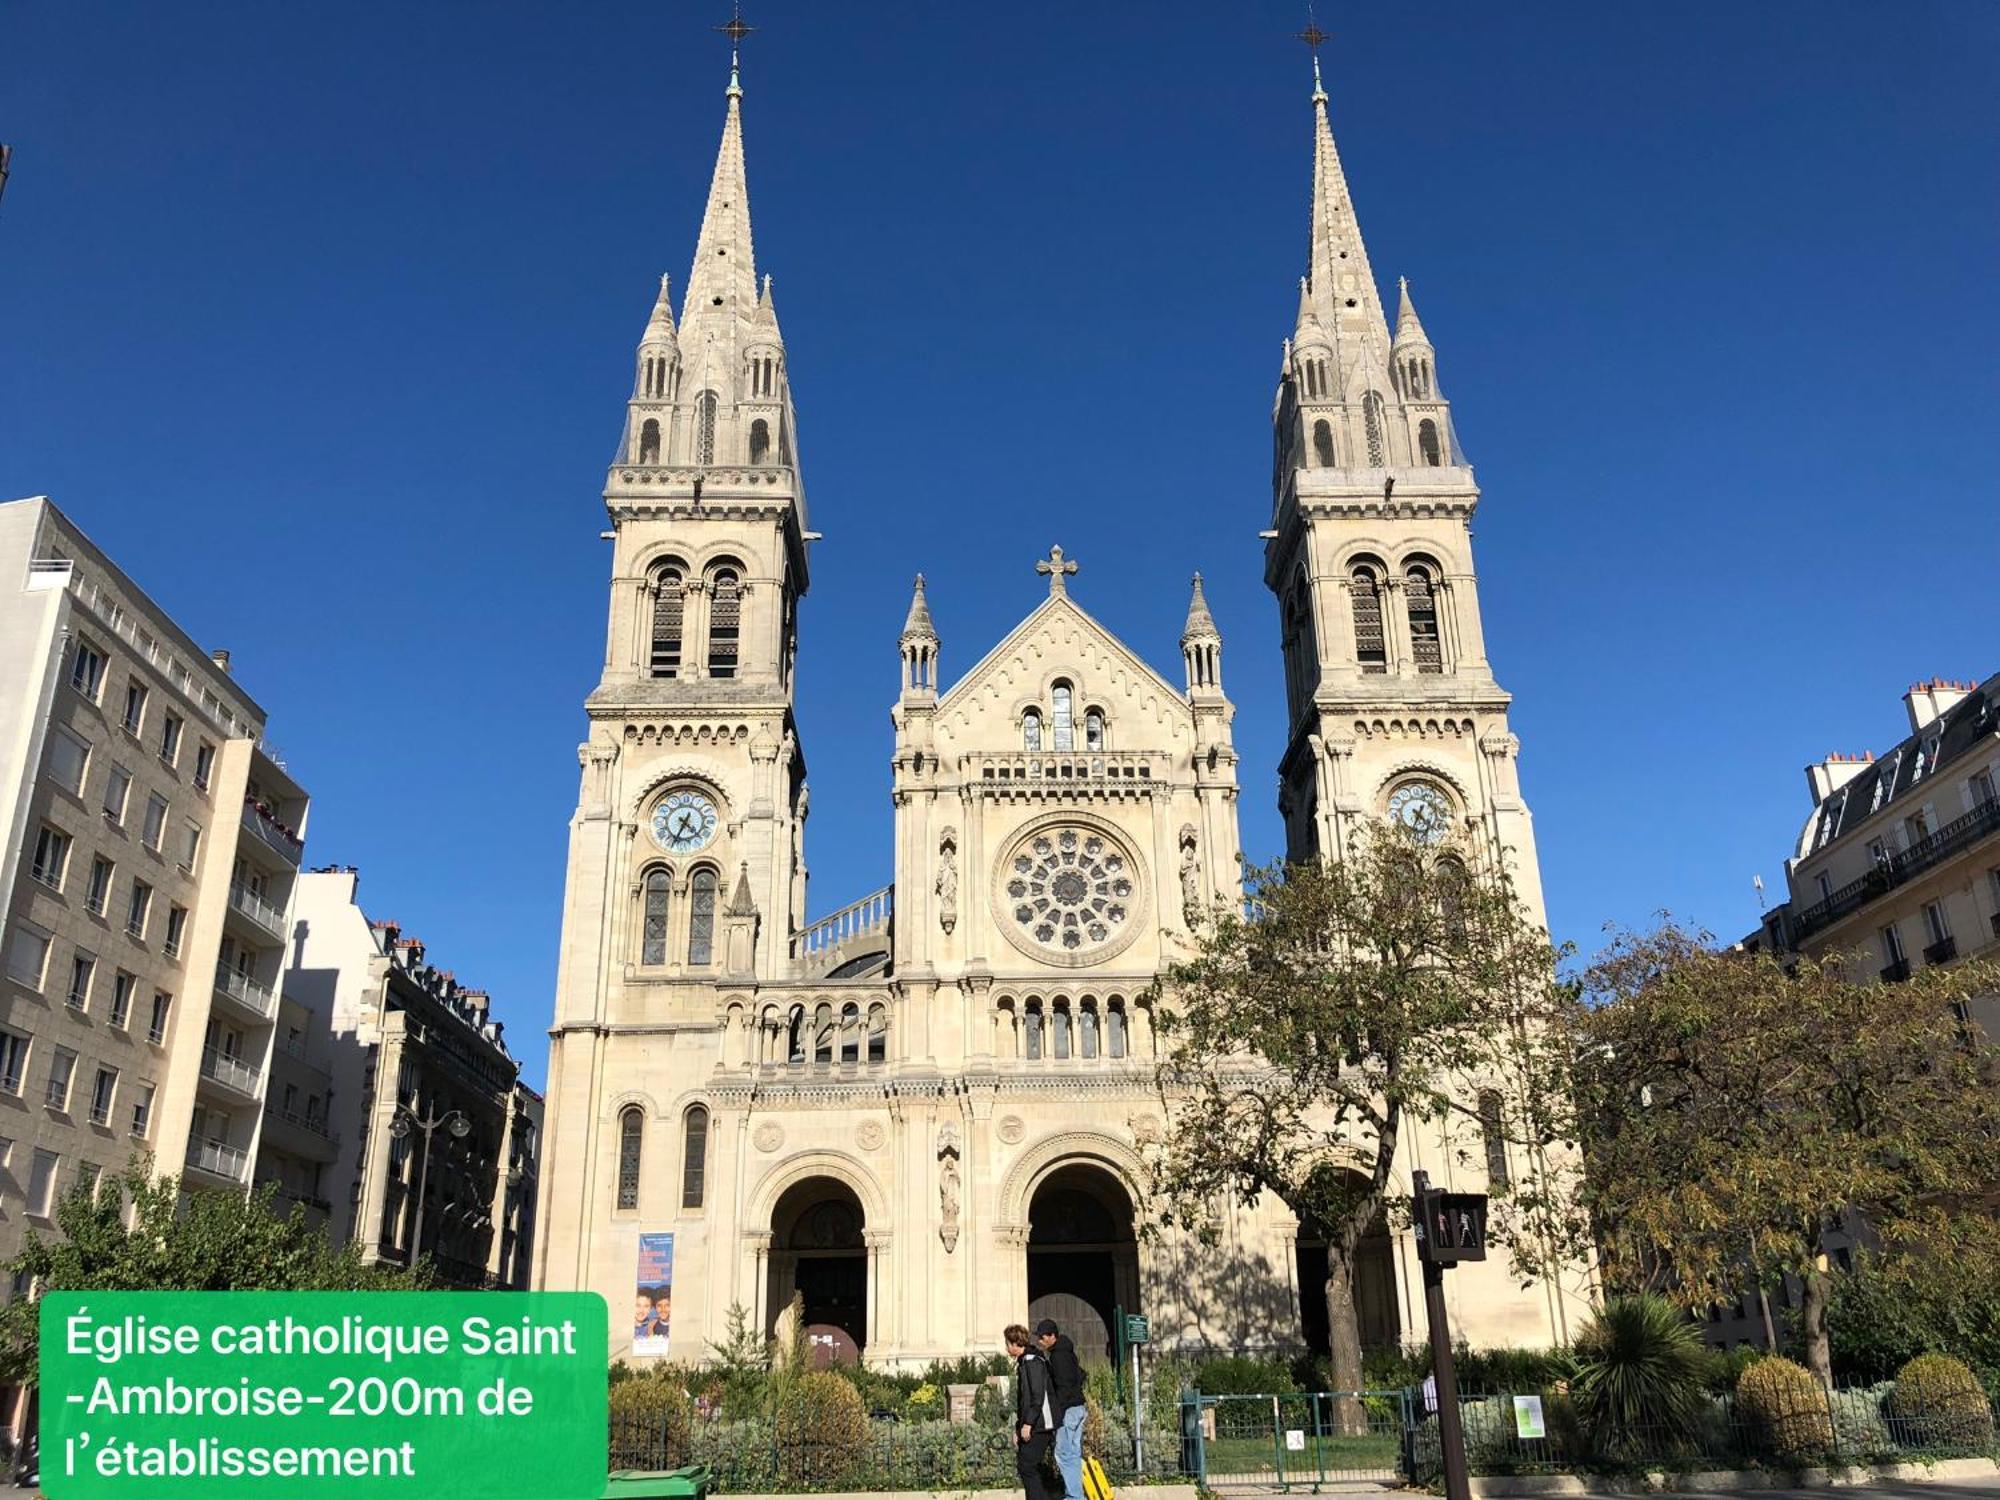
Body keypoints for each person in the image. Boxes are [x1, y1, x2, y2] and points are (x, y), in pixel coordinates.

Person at [1035, 1319, 1087, 1500]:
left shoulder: (1058, 1356)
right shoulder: (1067, 1351)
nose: (1040, 1341)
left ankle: (1074, 1496)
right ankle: (1075, 1494)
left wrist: (1058, 1414)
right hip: (1078, 1407)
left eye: (1042, 1338)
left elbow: (1063, 1387)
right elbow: (1081, 1374)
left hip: (1069, 1411)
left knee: (1064, 1454)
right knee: (1072, 1454)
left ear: (1052, 1336)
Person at [1006, 1323, 1057, 1500]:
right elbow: (1024, 1401)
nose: (1006, 1347)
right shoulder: (1025, 1361)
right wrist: (1018, 1428)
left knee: (1027, 1466)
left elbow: (1037, 1396)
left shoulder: (1032, 1361)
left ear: (1015, 1343)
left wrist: (1028, 1423)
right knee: (1027, 1466)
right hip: (1034, 1422)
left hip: (1040, 1424)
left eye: (1008, 1343)